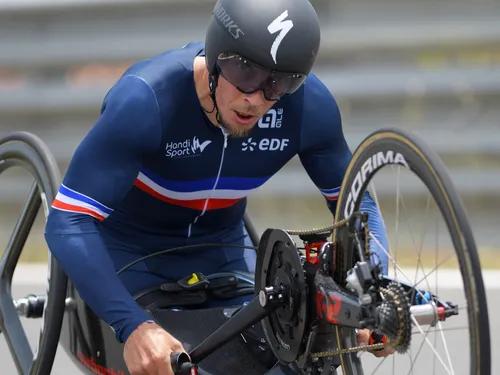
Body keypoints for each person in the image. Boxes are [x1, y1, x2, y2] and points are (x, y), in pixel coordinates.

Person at [44, 0, 393, 374]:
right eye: (244, 73)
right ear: (215, 55)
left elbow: (359, 210)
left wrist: (373, 292)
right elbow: (67, 221)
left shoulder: (308, 108)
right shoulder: (146, 100)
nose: (256, 98)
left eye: (280, 82)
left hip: (224, 256)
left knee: (300, 359)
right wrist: (134, 327)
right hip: (130, 258)